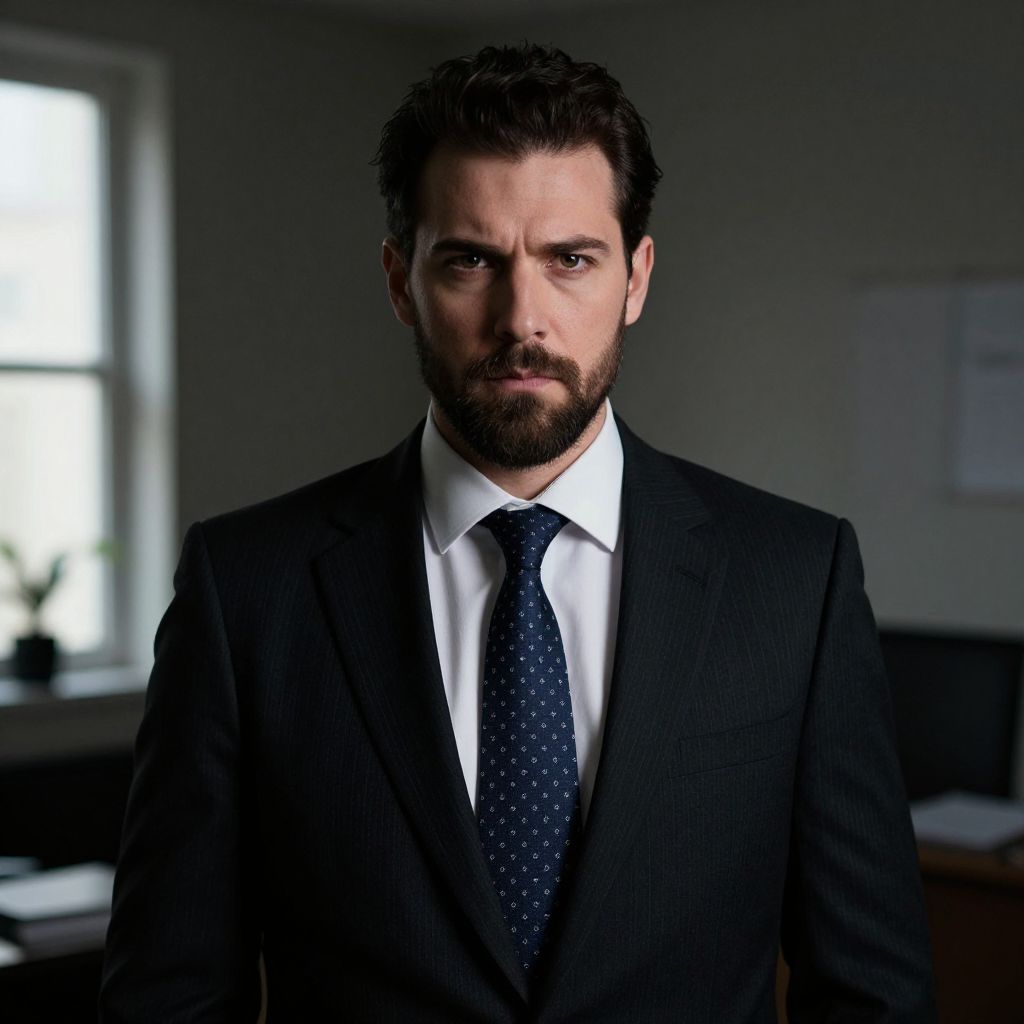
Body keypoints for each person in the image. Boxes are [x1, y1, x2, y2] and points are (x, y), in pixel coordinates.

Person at [100, 43, 936, 1023]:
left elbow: (872, 990)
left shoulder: (796, 579)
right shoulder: (247, 590)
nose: (521, 317)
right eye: (469, 259)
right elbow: (169, 995)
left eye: (570, 259)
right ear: (401, 281)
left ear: (636, 277)